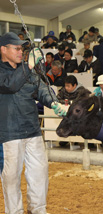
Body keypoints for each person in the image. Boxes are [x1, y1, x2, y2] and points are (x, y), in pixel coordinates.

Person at [0, 32, 65, 214]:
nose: (21, 52)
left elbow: (42, 88)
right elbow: (10, 85)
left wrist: (54, 102)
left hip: (33, 131)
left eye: (22, 49)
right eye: (17, 48)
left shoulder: (28, 70)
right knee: (11, 177)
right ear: (3, 49)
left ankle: (38, 209)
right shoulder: (10, 71)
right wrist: (28, 66)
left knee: (39, 172)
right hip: (8, 133)